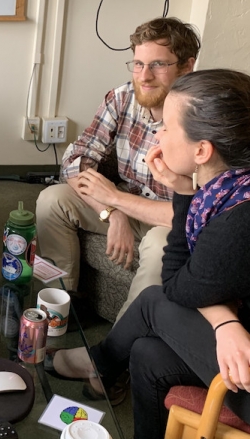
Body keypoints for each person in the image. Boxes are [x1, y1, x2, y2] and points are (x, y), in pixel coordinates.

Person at [47, 69, 250, 439]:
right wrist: (226, 321)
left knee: (154, 300)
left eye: (168, 128)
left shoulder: (237, 220)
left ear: (202, 151)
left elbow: (177, 285)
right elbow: (204, 282)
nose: (157, 137)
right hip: (240, 343)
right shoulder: (229, 191)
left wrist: (178, 192)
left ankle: (99, 361)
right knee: (147, 354)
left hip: (245, 376)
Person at [36, 17, 201, 322]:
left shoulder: (202, 117)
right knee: (52, 200)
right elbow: (75, 161)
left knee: (159, 244)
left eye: (158, 65)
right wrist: (112, 212)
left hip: (172, 216)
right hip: (129, 198)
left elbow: (195, 213)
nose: (145, 76)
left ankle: (119, 347)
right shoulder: (123, 98)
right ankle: (61, 305)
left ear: (187, 66)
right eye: (138, 64)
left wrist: (116, 199)